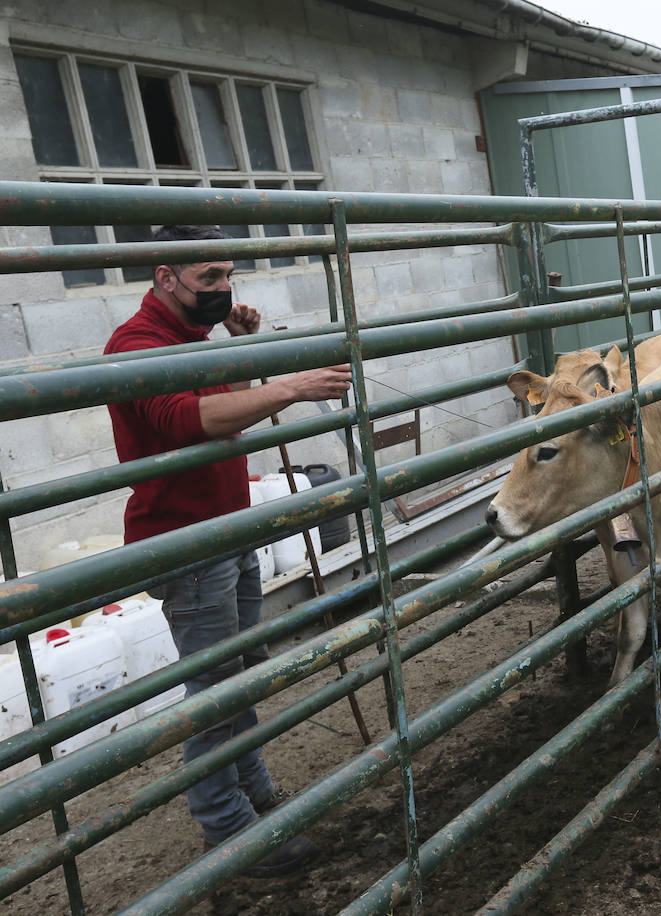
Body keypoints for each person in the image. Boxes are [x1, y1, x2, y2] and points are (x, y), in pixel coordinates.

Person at [104, 225, 353, 876]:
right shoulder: (136, 346)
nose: (223, 288)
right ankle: (228, 830)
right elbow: (188, 421)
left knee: (237, 678)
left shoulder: (193, 340)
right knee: (213, 692)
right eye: (209, 276)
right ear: (166, 279)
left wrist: (242, 348)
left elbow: (229, 406)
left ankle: (255, 794)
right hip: (185, 542)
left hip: (228, 531)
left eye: (227, 275)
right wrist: (293, 386)